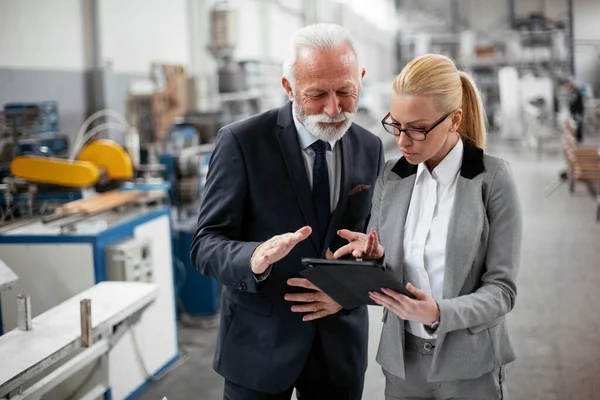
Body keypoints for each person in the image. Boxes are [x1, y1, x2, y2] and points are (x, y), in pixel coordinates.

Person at [191, 23, 384, 400]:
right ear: (288, 87)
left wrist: (352, 288)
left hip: (338, 350)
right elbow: (205, 243)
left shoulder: (370, 147)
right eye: (316, 95)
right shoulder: (242, 142)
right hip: (258, 349)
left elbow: (377, 247)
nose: (334, 108)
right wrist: (253, 257)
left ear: (360, 77)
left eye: (346, 91)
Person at [333, 54, 523, 399]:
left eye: (418, 128)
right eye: (396, 125)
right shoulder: (392, 176)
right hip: (402, 365)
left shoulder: (491, 179)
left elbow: (502, 291)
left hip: (470, 365)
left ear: (455, 120)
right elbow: (387, 273)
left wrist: (439, 312)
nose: (403, 141)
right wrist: (373, 258)